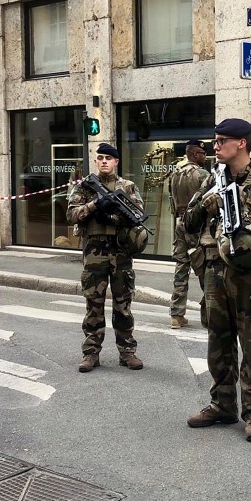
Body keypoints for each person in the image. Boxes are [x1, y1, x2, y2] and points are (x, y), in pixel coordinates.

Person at [184, 119, 251, 442]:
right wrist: (205, 206)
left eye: (221, 141)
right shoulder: (212, 181)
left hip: (250, 278)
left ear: (241, 144)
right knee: (218, 341)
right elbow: (188, 223)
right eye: (215, 141)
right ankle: (222, 404)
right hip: (215, 273)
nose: (215, 146)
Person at [66, 143, 144, 373]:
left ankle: (127, 352)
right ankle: (91, 353)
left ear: (116, 162)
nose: (103, 161)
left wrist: (115, 215)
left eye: (108, 158)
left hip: (121, 253)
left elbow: (138, 214)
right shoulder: (85, 188)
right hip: (94, 253)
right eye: (99, 158)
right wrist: (94, 205)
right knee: (93, 305)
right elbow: (71, 214)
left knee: (123, 306)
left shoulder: (127, 187)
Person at [168, 139, 209, 329]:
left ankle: (176, 314)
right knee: (204, 268)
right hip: (197, 226)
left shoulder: (175, 174)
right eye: (202, 153)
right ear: (194, 154)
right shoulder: (203, 175)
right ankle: (210, 310)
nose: (205, 156)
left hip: (179, 224)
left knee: (181, 268)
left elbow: (172, 202)